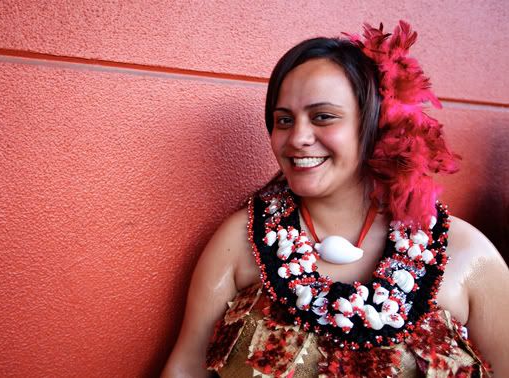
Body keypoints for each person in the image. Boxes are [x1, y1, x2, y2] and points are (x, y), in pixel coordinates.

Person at [162, 21, 509, 377]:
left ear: (375, 124)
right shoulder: (240, 243)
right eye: (283, 120)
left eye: (323, 117)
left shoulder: (466, 254)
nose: (297, 137)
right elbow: (186, 368)